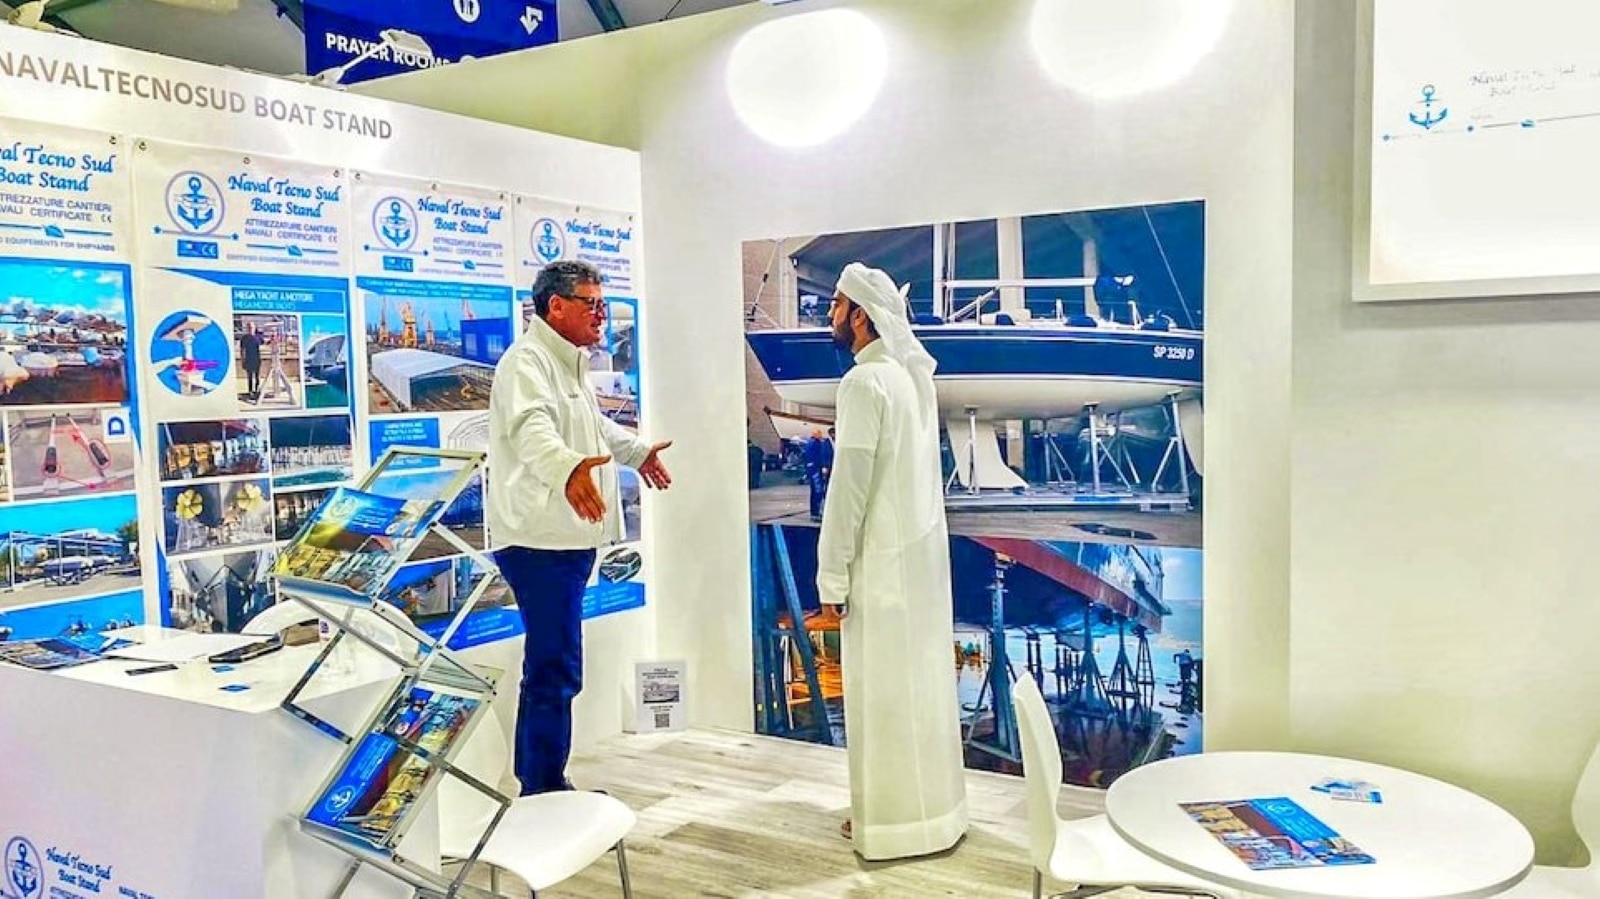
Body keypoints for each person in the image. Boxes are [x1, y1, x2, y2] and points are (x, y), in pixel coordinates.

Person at [487, 260, 673, 796]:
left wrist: (636, 452)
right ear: (556, 306)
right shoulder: (527, 363)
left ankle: (543, 781)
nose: (601, 315)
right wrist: (567, 469)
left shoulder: (565, 363)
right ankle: (543, 790)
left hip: (564, 539)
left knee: (556, 663)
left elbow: (591, 424)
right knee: (555, 668)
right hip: (538, 542)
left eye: (602, 304)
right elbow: (532, 431)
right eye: (591, 304)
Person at [816, 262, 968, 860]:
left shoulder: (864, 383)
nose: (830, 316)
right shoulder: (907, 380)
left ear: (860, 315)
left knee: (880, 699)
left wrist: (831, 574)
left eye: (836, 305)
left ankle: (887, 823)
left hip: (879, 570)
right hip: (915, 570)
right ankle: (931, 817)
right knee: (918, 696)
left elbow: (848, 489)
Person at [238, 323, 263, 399]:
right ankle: (250, 391)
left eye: (252, 327)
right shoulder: (244, 338)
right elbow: (242, 350)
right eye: (249, 327)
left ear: (254, 328)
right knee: (250, 377)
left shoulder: (258, 337)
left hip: (257, 359)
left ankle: (257, 390)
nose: (250, 329)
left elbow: (264, 344)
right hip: (248, 359)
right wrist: (242, 360)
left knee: (257, 376)